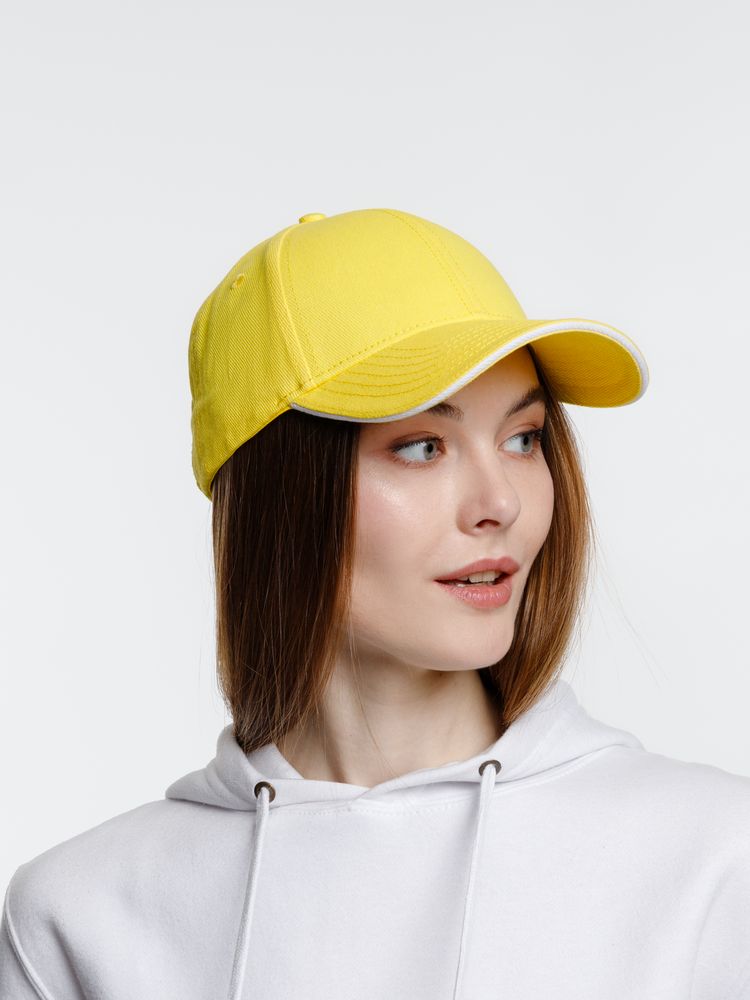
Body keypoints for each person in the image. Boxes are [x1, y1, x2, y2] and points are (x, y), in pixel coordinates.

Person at [2, 208, 748, 1000]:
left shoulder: (711, 861)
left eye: (523, 438)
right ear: (278, 497)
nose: (499, 503)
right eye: (423, 446)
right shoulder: (80, 917)